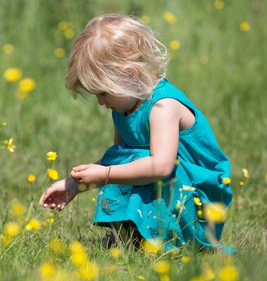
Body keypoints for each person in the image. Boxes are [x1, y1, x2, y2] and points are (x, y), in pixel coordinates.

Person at [39, 14, 234, 253]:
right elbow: (117, 160)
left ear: (129, 74)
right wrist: (74, 184)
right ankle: (132, 235)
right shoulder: (122, 108)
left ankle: (163, 238)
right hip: (171, 182)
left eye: (103, 93)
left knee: (129, 165)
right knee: (123, 160)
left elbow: (162, 166)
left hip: (198, 194)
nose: (101, 102)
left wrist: (105, 174)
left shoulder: (163, 107)